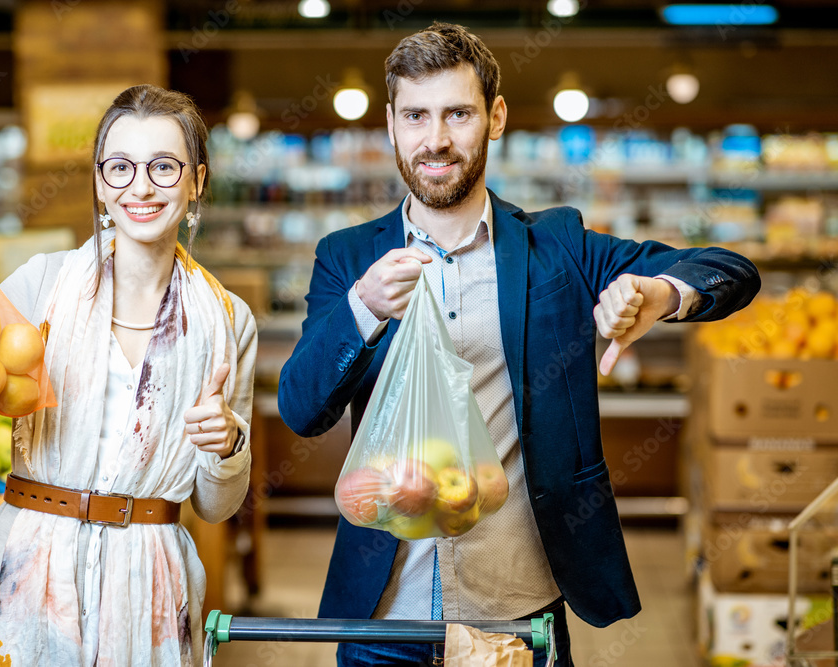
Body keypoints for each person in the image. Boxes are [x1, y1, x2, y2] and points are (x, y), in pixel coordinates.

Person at [277, 22, 759, 667]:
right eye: (416, 116)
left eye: (458, 113)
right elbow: (303, 409)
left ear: (495, 117)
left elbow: (730, 270)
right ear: (391, 124)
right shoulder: (347, 258)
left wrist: (662, 295)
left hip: (517, 611)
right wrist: (362, 307)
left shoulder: (558, 249)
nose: (436, 139)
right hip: (384, 614)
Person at [0, 84, 257, 667]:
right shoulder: (44, 287)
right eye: (120, 167)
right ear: (98, 179)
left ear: (198, 181)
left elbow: (217, 506)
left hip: (152, 586)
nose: (139, 187)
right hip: (31, 574)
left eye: (164, 167)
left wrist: (227, 443)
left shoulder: (226, 319)